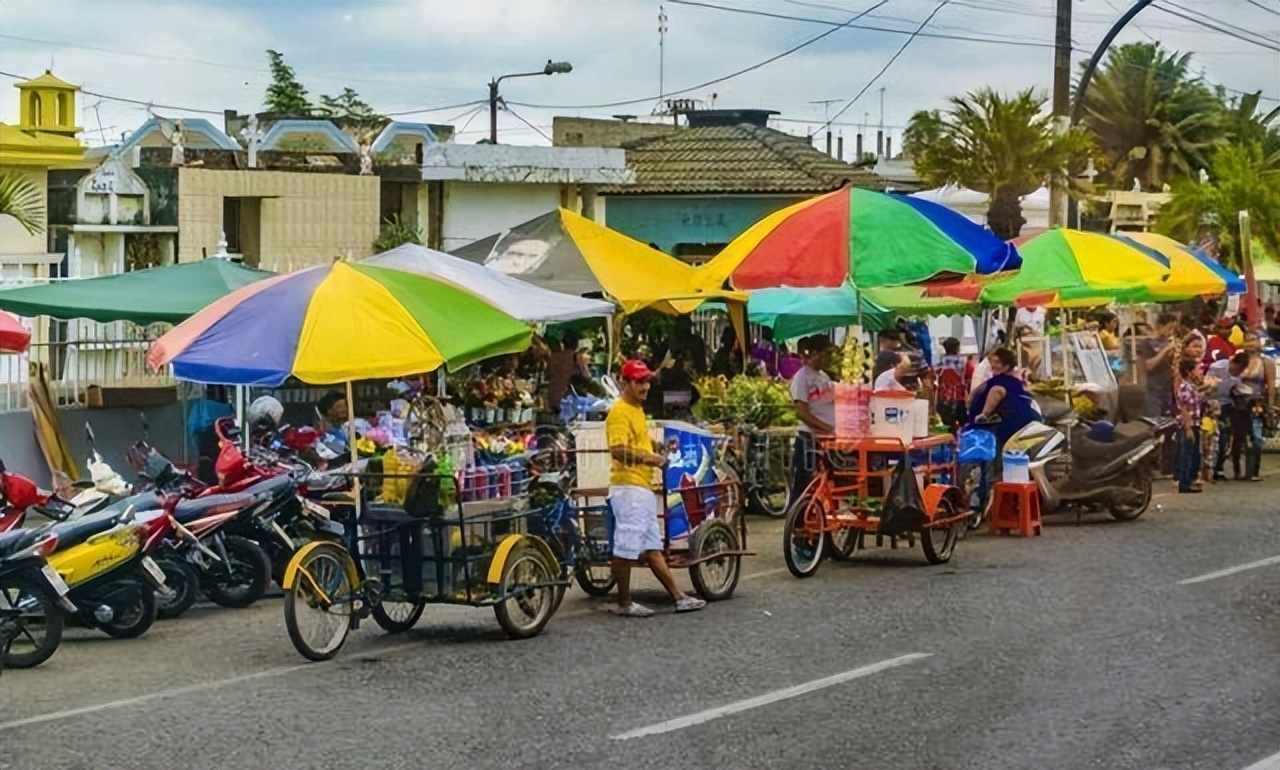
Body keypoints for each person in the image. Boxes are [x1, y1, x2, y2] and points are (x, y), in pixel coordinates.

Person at [606, 359, 706, 617]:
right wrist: (650, 458)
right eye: (639, 382)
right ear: (625, 383)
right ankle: (624, 602)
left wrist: (658, 447)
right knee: (626, 548)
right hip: (629, 488)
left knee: (652, 549)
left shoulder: (637, 410)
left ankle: (679, 597)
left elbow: (638, 441)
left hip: (642, 487)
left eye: (647, 381)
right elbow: (617, 449)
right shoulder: (619, 412)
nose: (646, 387)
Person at [788, 336, 836, 500]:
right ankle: (798, 515)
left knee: (822, 484)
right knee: (804, 485)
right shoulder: (802, 377)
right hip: (809, 438)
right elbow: (801, 412)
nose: (830, 358)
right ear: (815, 354)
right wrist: (826, 427)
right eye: (827, 353)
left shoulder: (824, 377)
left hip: (825, 439)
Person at [967, 348, 1041, 451]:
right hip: (1027, 423)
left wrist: (984, 414)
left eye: (997, 362)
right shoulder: (1016, 382)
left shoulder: (999, 381)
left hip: (1008, 426)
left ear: (1007, 366)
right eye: (993, 362)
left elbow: (997, 391)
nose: (994, 365)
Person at [1232, 334, 1274, 481]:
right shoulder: (1237, 359)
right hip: (1238, 401)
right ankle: (1237, 471)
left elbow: (1270, 385)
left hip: (1256, 403)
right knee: (1238, 436)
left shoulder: (1265, 362)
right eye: (1247, 340)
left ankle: (1253, 472)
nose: (1250, 343)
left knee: (1256, 435)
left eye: (1253, 340)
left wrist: (1269, 406)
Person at [1207, 351, 1247, 481]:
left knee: (1224, 438)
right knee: (1213, 438)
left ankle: (1219, 468)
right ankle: (1210, 468)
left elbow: (1235, 389)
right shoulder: (1217, 367)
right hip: (1212, 404)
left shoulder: (1238, 376)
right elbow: (1207, 386)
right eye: (1236, 370)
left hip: (1227, 406)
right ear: (1233, 363)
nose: (1236, 373)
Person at [1138, 312, 1179, 418]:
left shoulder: (1170, 342)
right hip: (1154, 390)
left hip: (1168, 390)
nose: (1171, 332)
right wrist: (1165, 350)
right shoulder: (1147, 343)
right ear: (1160, 326)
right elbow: (1148, 366)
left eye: (1174, 329)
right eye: (1169, 328)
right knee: (1153, 422)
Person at [1175, 357, 1202, 493]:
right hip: (1189, 424)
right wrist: (1188, 428)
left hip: (1195, 423)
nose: (1200, 372)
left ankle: (1190, 481)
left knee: (1192, 453)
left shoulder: (1191, 386)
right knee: (1186, 454)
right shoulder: (1185, 387)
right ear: (1189, 372)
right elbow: (1184, 409)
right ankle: (1184, 483)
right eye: (1197, 369)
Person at [546, 331, 590, 410]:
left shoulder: (554, 357)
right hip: (570, 400)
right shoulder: (578, 358)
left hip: (553, 397)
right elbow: (585, 376)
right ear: (576, 345)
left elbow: (548, 374)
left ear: (563, 344)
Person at [936, 337, 972, 431]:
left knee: (946, 426)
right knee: (963, 425)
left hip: (943, 399)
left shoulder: (940, 362)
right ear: (957, 348)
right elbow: (969, 379)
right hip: (959, 398)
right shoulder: (964, 362)